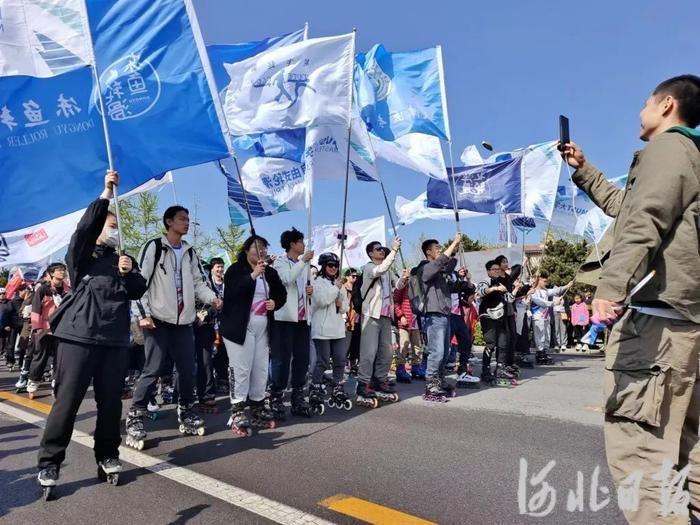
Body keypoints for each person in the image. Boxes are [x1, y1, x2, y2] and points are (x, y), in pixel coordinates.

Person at [563, 74, 700, 524]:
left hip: (655, 327)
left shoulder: (670, 148)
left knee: (642, 458)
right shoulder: (691, 156)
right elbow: (630, 205)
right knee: (687, 451)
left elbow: (644, 217)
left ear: (666, 105)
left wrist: (611, 286)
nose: (639, 111)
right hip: (686, 327)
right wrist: (584, 170)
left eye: (645, 102)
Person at [36, 170, 147, 495]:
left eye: (115, 228)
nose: (113, 232)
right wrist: (105, 195)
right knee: (67, 403)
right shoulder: (81, 256)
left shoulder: (122, 260)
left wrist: (128, 273)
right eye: (110, 226)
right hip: (78, 336)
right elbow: (84, 229)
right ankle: (50, 462)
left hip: (114, 340)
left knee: (111, 404)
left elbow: (139, 289)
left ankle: (108, 455)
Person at [127, 205, 220, 448]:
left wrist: (212, 298)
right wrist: (143, 315)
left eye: (188, 219)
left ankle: (186, 409)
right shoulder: (154, 246)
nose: (187, 223)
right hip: (157, 319)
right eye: (182, 219)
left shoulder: (190, 252)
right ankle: (136, 414)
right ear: (169, 222)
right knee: (153, 368)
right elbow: (139, 283)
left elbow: (199, 281)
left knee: (188, 369)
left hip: (184, 322)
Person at [219, 235, 286, 436]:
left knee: (260, 368)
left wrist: (275, 302)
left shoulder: (270, 272)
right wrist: (253, 275)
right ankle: (237, 409)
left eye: (264, 248)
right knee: (241, 368)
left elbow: (281, 294)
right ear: (247, 250)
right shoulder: (235, 270)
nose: (261, 251)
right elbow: (233, 293)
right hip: (239, 328)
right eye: (257, 247)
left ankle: (257, 405)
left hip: (263, 327)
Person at [269, 228, 315, 419]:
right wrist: (303, 261)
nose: (303, 245)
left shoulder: (304, 266)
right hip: (285, 319)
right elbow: (286, 279)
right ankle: (277, 396)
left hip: (303, 320)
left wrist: (310, 291)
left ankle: (298, 396)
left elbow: (303, 288)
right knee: (282, 359)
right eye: (300, 241)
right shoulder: (280, 262)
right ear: (292, 244)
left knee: (302, 359)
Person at [356, 237, 403, 406]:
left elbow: (397, 285)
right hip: (371, 315)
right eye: (378, 249)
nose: (382, 250)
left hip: (385, 316)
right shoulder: (368, 268)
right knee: (368, 353)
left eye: (383, 249)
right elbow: (380, 270)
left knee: (387, 351)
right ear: (370, 253)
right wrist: (395, 250)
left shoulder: (388, 271)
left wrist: (403, 278)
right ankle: (362, 384)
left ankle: (380, 380)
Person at [414, 235, 462, 400]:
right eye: (437, 248)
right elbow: (440, 261)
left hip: (445, 314)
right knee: (437, 351)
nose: (440, 250)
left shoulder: (439, 272)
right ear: (428, 252)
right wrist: (454, 242)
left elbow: (452, 284)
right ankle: (431, 385)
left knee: (445, 351)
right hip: (433, 315)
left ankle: (440, 380)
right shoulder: (425, 268)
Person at [310, 253, 351, 411]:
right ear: (323, 266)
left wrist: (341, 304)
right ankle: (315, 387)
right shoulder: (317, 282)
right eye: (330, 265)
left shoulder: (338, 283)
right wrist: (337, 288)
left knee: (340, 360)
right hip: (322, 329)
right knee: (323, 361)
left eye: (336, 265)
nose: (333, 268)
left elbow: (346, 306)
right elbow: (322, 300)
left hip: (338, 328)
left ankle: (337, 387)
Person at [26, 263, 69, 399]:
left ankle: (56, 386)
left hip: (63, 330)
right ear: (51, 274)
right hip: (44, 330)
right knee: (40, 358)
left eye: (63, 270)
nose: (62, 272)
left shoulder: (69, 290)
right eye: (59, 270)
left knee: (60, 360)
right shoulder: (43, 290)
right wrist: (37, 328)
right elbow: (36, 309)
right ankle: (32, 384)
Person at [193, 257, 225, 413]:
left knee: (206, 362)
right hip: (182, 323)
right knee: (184, 364)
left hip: (205, 326)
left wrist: (205, 314)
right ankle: (182, 395)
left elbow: (215, 303)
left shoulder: (208, 283)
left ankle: (206, 395)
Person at [476, 260, 514, 386]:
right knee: (491, 344)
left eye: (498, 269)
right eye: (494, 269)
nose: (497, 271)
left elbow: (509, 298)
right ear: (488, 271)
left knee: (503, 343)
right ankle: (485, 371)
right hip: (488, 316)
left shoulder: (500, 283)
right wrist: (495, 288)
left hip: (500, 317)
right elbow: (481, 292)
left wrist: (518, 289)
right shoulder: (485, 281)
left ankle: (500, 369)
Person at [529, 272, 571, 365]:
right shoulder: (532, 291)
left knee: (547, 335)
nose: (546, 283)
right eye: (544, 281)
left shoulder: (545, 290)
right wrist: (553, 303)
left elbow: (556, 291)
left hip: (546, 316)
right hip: (538, 316)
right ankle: (539, 353)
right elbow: (540, 302)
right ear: (539, 280)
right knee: (540, 336)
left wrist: (567, 286)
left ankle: (544, 351)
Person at [392, 273, 424, 383]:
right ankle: (400, 369)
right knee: (403, 345)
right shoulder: (402, 287)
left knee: (417, 347)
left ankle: (416, 368)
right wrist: (400, 316)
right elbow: (395, 302)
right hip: (404, 321)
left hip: (415, 322)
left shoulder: (419, 288)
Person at [342, 268, 361, 376]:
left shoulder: (358, 289)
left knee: (356, 344)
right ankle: (342, 364)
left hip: (358, 320)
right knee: (345, 345)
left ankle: (353, 364)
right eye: (353, 276)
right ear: (347, 277)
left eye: (357, 276)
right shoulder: (343, 288)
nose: (355, 278)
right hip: (347, 320)